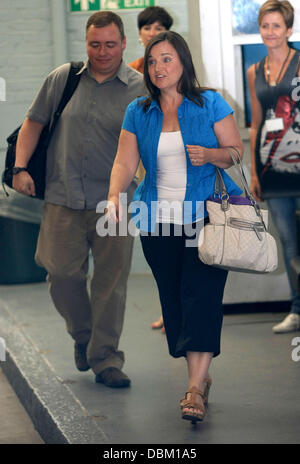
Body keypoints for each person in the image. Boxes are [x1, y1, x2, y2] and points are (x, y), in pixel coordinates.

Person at [106, 31, 243, 422]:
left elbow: (235, 152)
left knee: (201, 297)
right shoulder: (139, 111)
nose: (158, 68)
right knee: (177, 302)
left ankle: (195, 388)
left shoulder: (210, 103)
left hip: (206, 217)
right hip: (156, 222)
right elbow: (124, 162)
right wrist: (115, 195)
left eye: (166, 59)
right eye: (152, 61)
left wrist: (212, 154)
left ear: (183, 62)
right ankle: (200, 375)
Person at [12, 11, 145, 388]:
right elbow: (33, 123)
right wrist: (20, 169)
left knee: (110, 282)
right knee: (61, 275)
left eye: (110, 44)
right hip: (62, 195)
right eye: (94, 44)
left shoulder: (139, 88)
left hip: (114, 202)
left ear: (123, 44)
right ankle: (83, 335)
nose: (102, 52)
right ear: (85, 43)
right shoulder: (63, 78)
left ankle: (106, 360)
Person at [247, 0, 300, 334]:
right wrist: (254, 172)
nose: (270, 32)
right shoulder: (254, 71)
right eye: (265, 25)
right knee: (289, 242)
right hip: (272, 170)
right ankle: (297, 309)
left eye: (276, 26)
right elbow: (255, 124)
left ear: (289, 30)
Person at [129, 6, 173, 334]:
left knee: (180, 241)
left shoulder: (177, 68)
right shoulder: (131, 73)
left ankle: (178, 308)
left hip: (176, 167)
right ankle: (168, 307)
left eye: (159, 27)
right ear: (141, 33)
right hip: (143, 169)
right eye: (148, 27)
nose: (153, 31)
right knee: (157, 244)